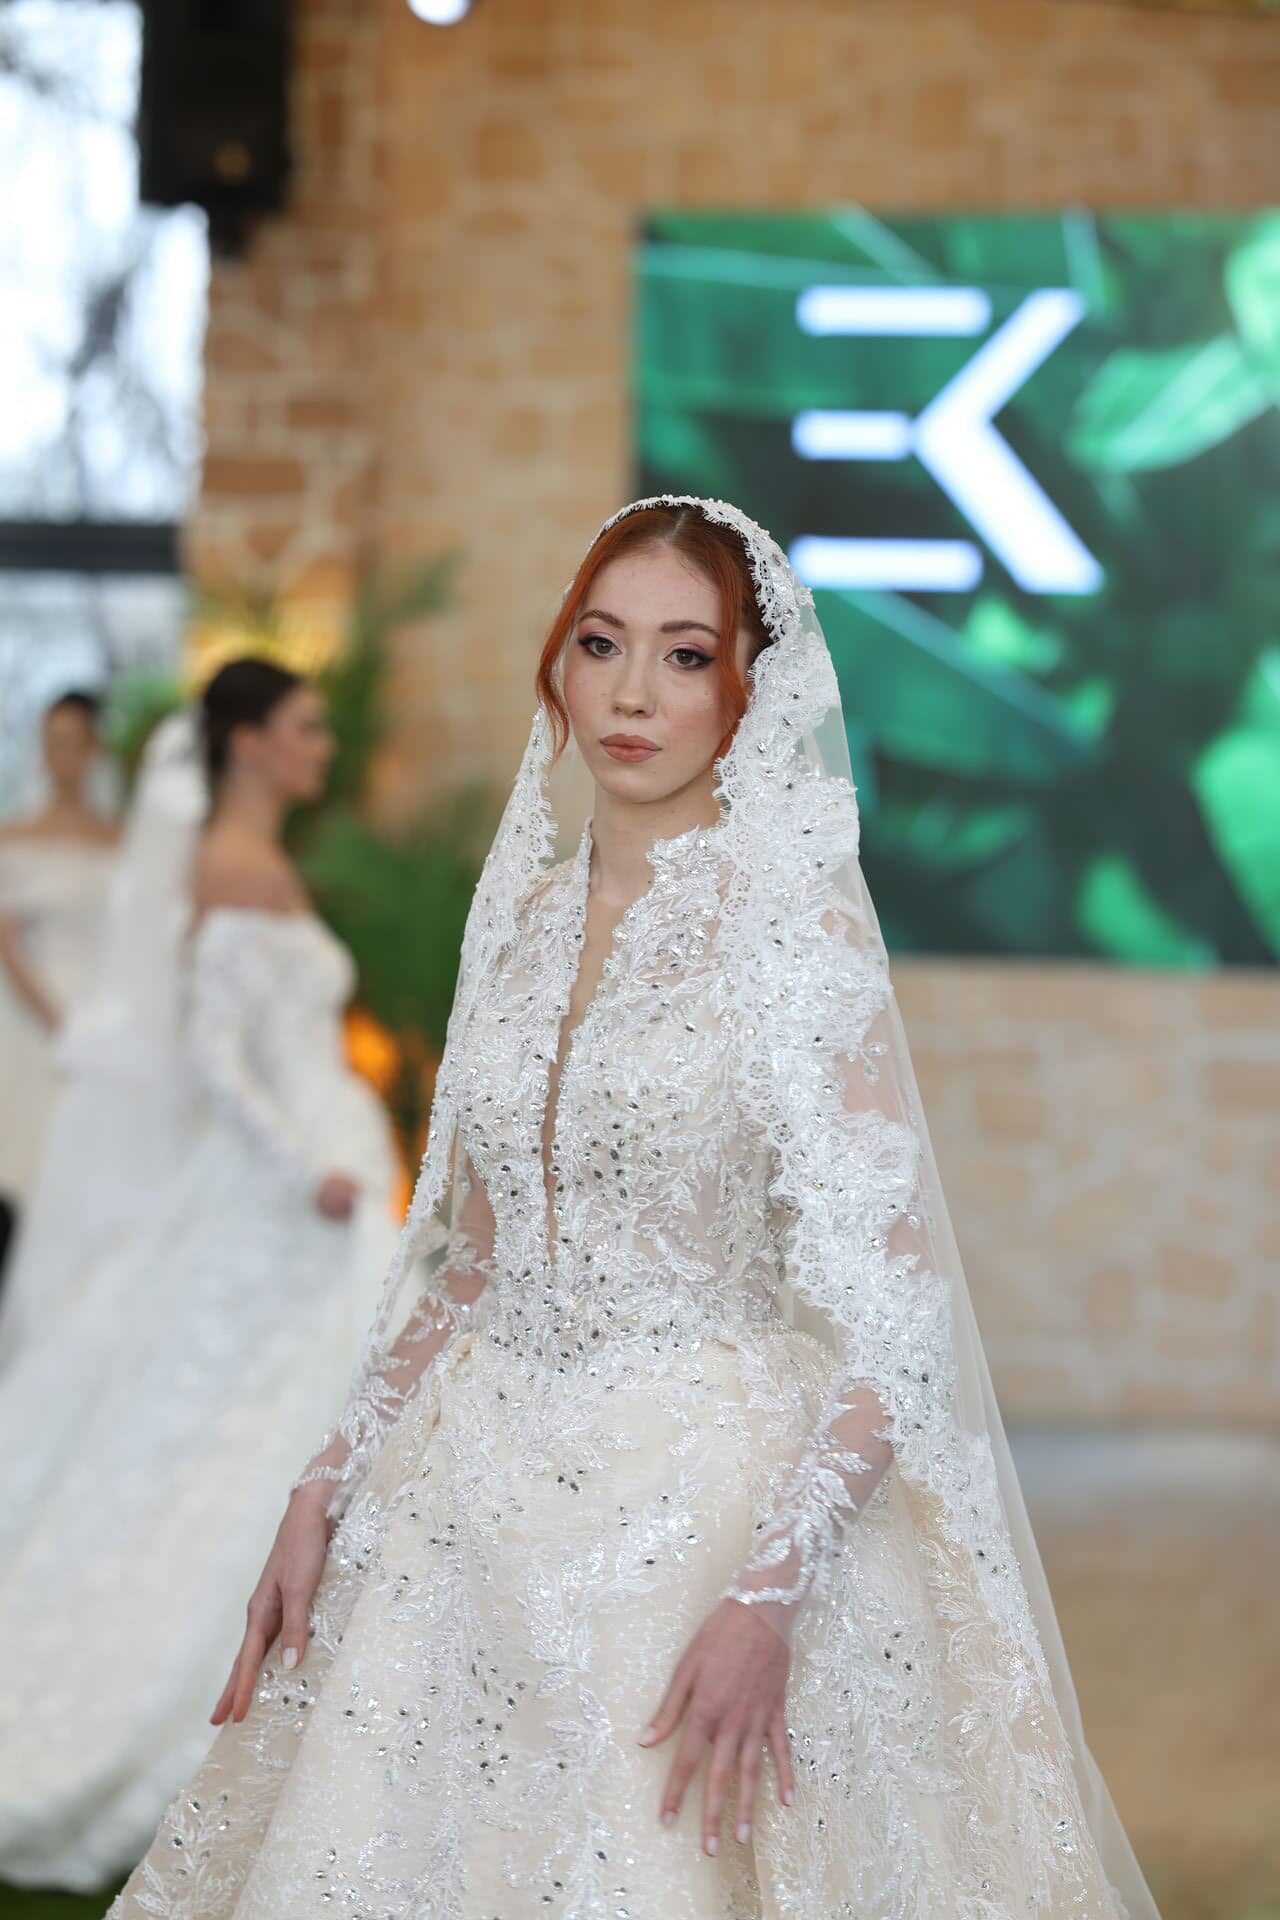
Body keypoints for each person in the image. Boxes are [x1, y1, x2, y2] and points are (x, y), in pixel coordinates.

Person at [108, 502, 1160, 1919]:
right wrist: (323, 1484)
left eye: (685, 655)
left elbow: (900, 1313)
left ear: (748, 692)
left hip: (703, 1513)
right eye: (601, 645)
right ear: (558, 665)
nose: (632, 694)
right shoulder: (521, 924)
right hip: (467, 1509)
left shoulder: (793, 935)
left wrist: (769, 1596)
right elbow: (470, 1265)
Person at [0, 660, 400, 1892]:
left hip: (322, 1178)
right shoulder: (230, 868)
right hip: (290, 1191)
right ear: (250, 742)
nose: (322, 745)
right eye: (306, 727)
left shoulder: (258, 860)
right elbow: (220, 1058)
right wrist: (308, 1171)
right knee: (255, 1428)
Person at [0, 691, 117, 1252]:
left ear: (94, 750)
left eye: (70, 743)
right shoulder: (13, 838)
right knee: (28, 1161)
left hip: (105, 1015)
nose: (57, 756)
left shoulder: (120, 842)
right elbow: (6, 943)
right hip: (33, 1021)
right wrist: (58, 1019)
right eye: (49, 743)